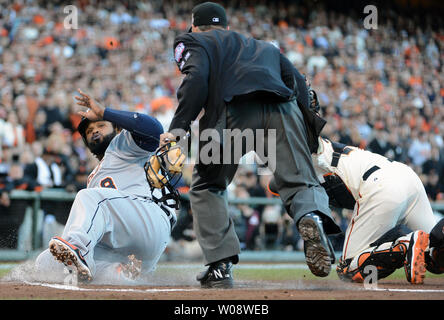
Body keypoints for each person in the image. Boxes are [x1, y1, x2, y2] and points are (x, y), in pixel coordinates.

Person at [159, 2, 341, 288]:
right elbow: (299, 83)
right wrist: (308, 136)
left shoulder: (192, 40)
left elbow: (196, 79)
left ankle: (220, 265)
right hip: (284, 109)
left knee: (208, 185)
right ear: (227, 27)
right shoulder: (263, 46)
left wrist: (178, 128)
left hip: (233, 111)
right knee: (301, 180)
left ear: (194, 26)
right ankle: (310, 216)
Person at [268, 81, 442, 284]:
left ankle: (404, 243)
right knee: (435, 255)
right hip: (406, 177)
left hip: (379, 186)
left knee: (348, 269)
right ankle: (412, 242)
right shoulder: (296, 166)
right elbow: (275, 184)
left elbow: (304, 139)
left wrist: (298, 106)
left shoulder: (306, 149)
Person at [35, 89, 177, 283]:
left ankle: (78, 248)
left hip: (150, 220)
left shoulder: (124, 144)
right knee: (46, 262)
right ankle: (120, 273)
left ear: (117, 129)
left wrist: (105, 113)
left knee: (89, 197)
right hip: (128, 246)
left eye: (101, 125)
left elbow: (153, 129)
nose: (94, 131)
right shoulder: (94, 175)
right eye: (89, 131)